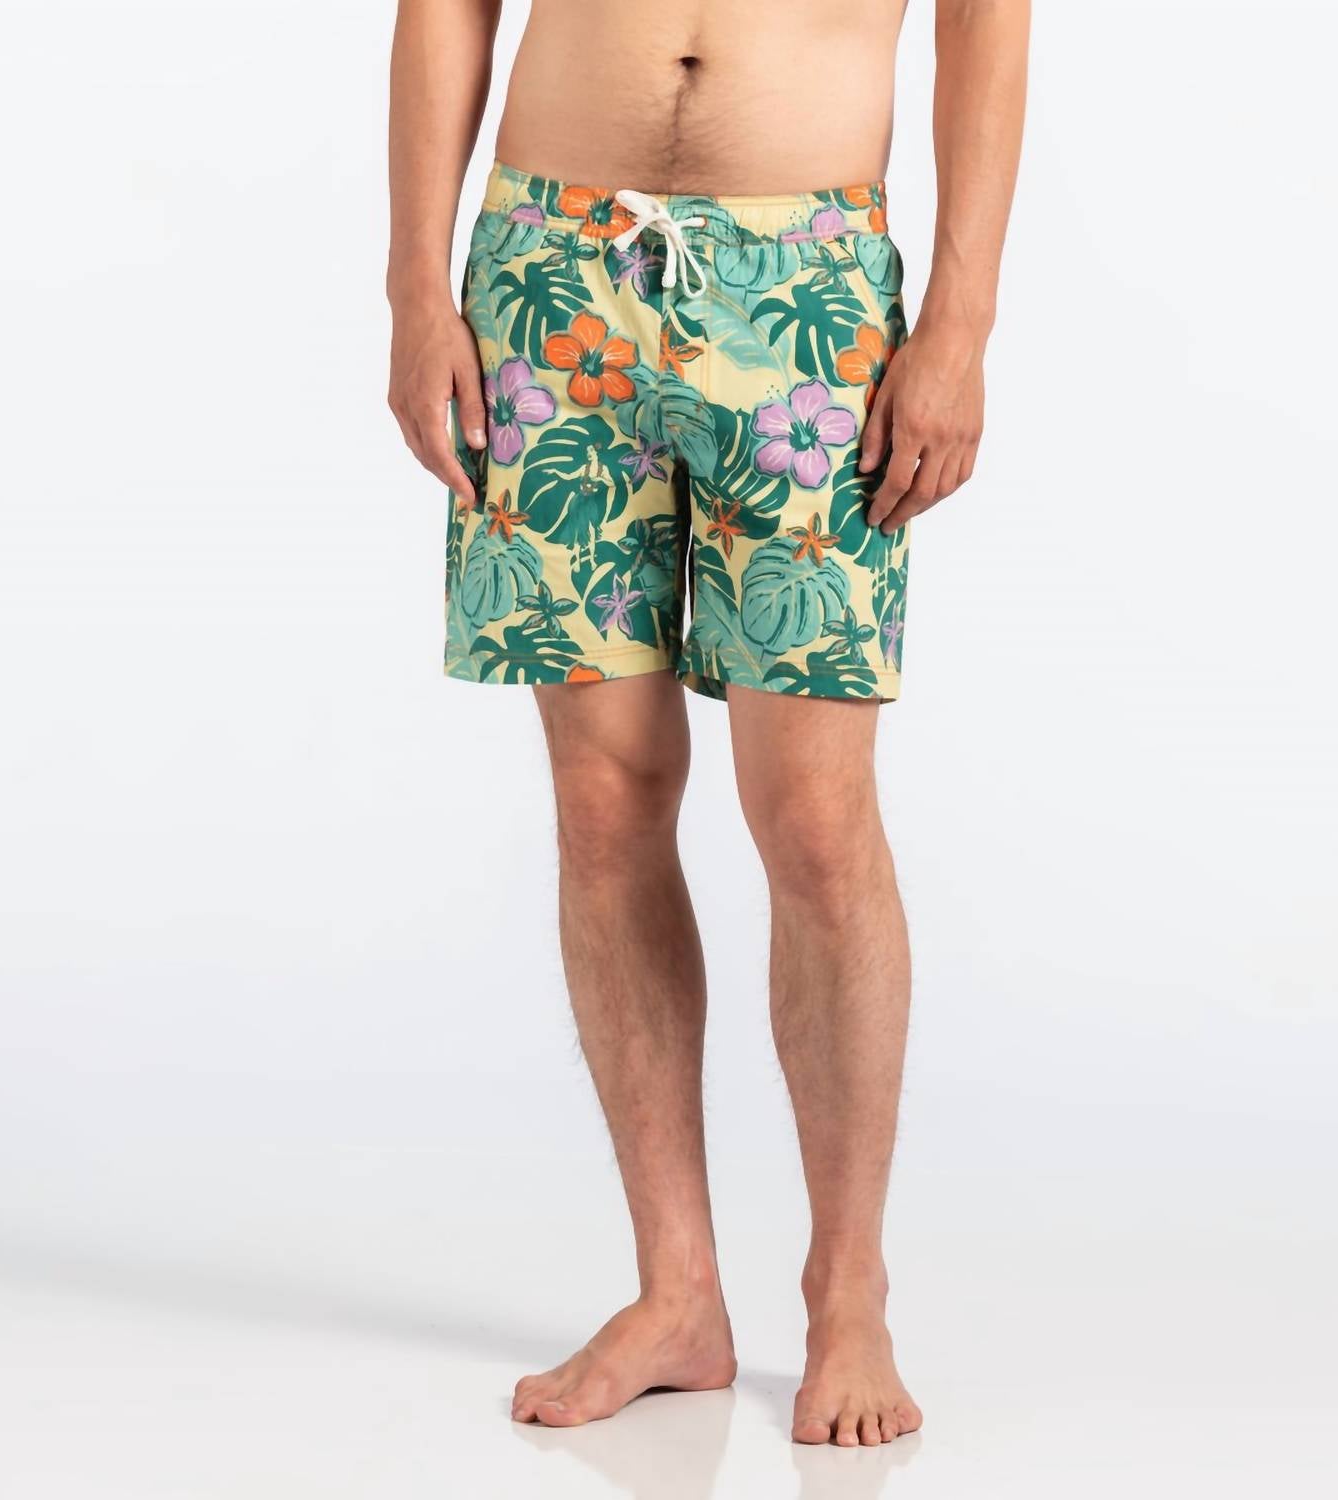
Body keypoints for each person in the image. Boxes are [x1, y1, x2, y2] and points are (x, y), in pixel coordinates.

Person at [387, 0, 1028, 1448]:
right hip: (549, 268)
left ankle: (848, 1294)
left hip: (805, 281)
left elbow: (989, 20)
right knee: (603, 801)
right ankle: (676, 1292)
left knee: (814, 822)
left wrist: (962, 321)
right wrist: (416, 287)